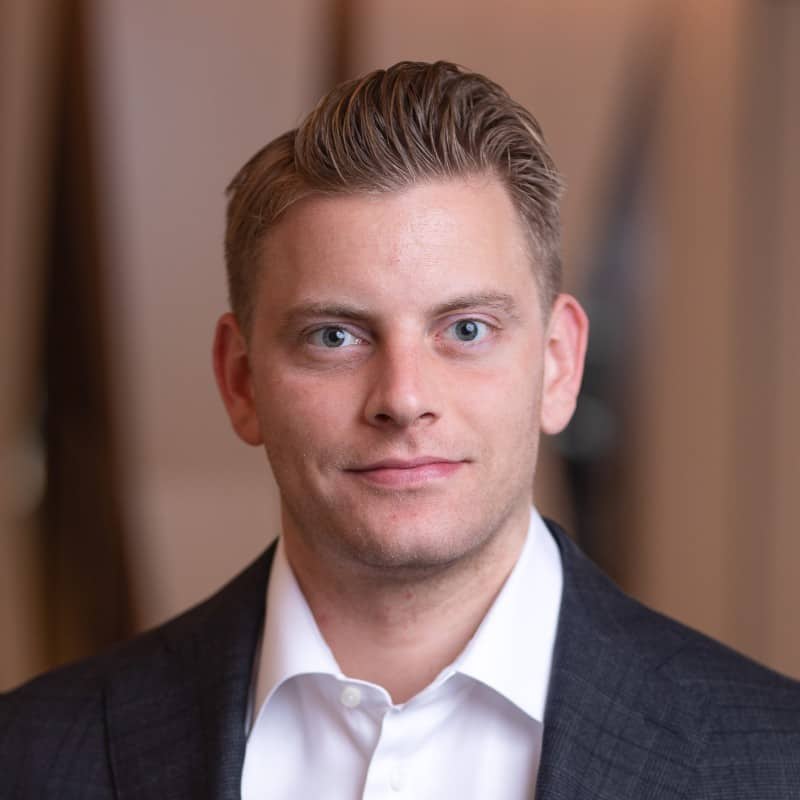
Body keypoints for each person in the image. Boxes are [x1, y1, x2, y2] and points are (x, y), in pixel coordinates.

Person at [1, 60, 799, 800]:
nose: (404, 398)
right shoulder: (32, 757)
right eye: (335, 337)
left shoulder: (776, 761)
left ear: (558, 365)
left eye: (467, 330)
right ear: (241, 381)